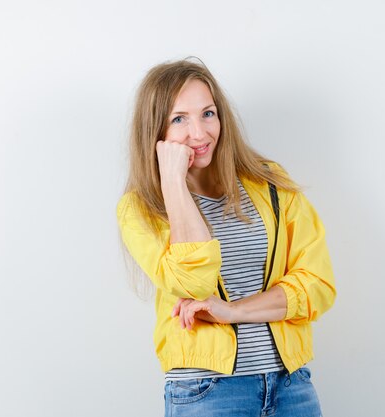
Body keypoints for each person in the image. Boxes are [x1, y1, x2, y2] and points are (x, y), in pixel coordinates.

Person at [116, 58, 336, 417]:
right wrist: (173, 184)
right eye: (179, 119)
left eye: (208, 113)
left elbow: (318, 285)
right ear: (155, 132)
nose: (200, 133)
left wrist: (232, 311)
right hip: (207, 390)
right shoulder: (140, 209)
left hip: (290, 386)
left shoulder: (269, 184)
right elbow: (193, 280)